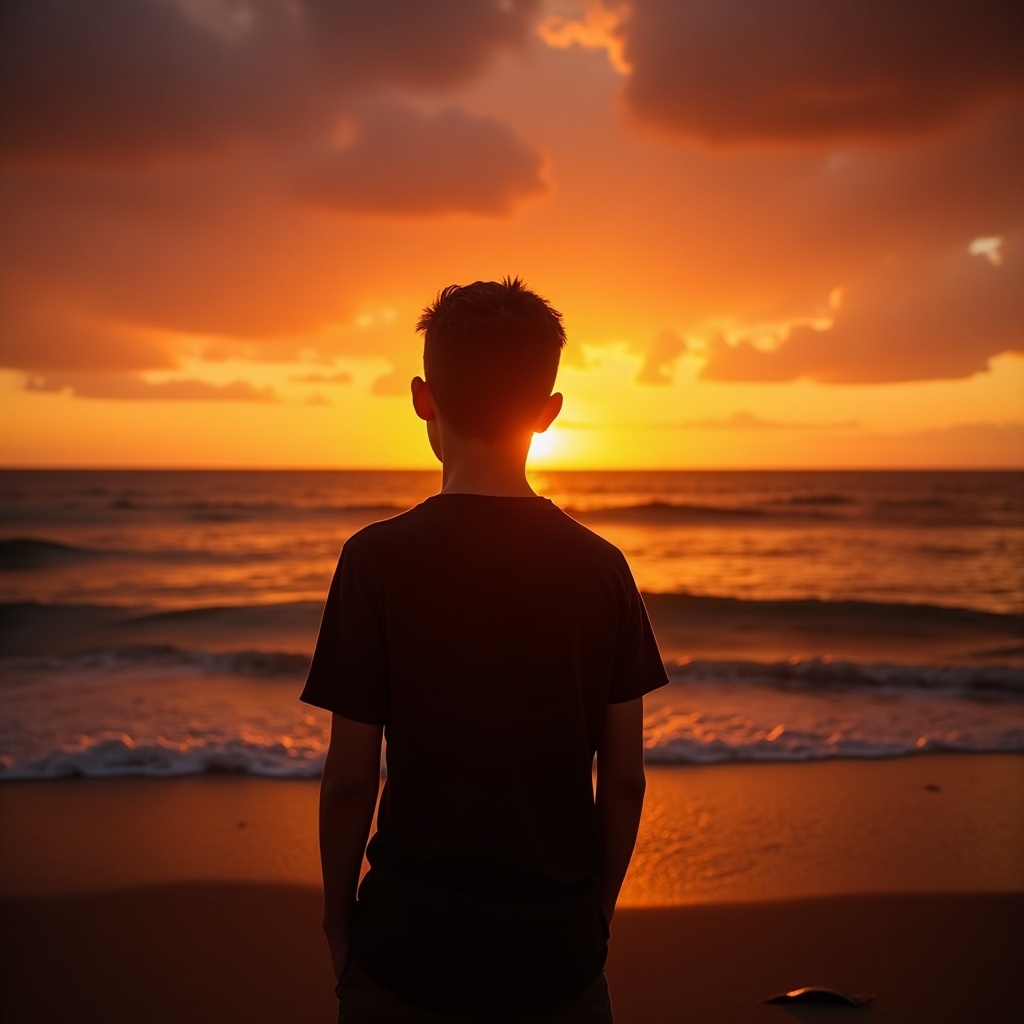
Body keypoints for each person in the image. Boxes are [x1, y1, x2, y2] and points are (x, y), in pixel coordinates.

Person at [301, 277, 668, 1022]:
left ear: (421, 398)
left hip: (407, 948)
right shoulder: (603, 567)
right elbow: (624, 779)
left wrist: (339, 925)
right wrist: (592, 921)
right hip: (557, 957)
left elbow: (349, 780)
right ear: (548, 413)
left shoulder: (375, 561)